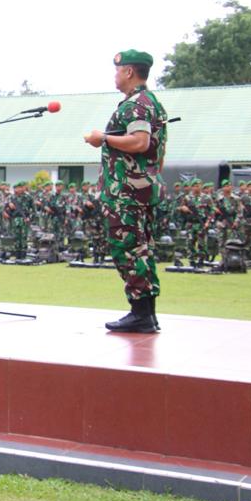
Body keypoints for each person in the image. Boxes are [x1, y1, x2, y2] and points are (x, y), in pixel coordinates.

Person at [84, 49, 168, 333]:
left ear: (129, 71)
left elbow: (140, 142)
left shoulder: (136, 104)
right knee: (141, 250)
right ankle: (146, 313)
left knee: (128, 249)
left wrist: (103, 138)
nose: (115, 75)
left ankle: (141, 314)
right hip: (141, 189)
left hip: (127, 193)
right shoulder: (150, 102)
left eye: (118, 70)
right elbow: (154, 148)